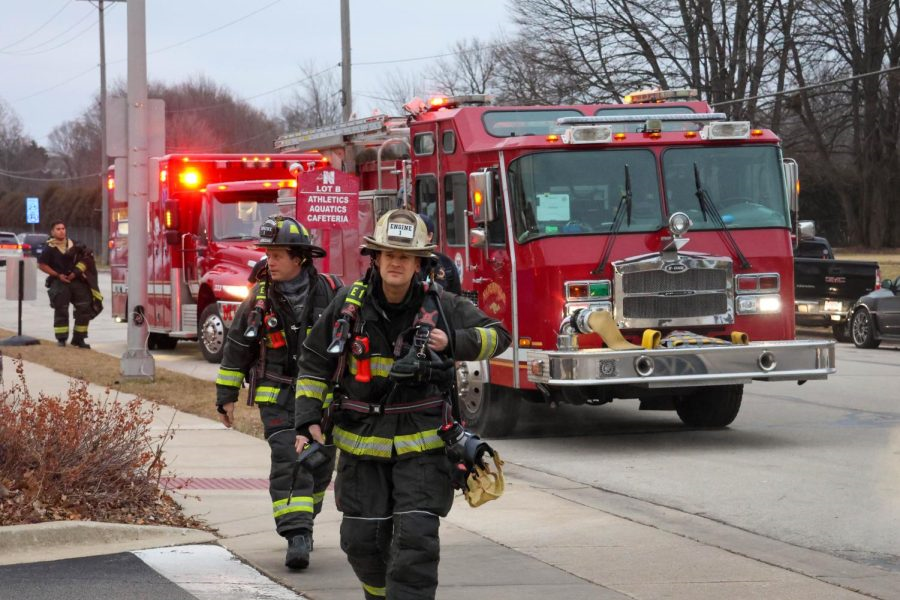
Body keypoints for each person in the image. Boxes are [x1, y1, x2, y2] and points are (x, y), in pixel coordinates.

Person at [294, 209, 510, 599]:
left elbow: (499, 336)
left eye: (405, 256)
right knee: (361, 542)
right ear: (374, 258)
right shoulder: (348, 306)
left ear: (419, 263)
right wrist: (307, 419)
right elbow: (313, 362)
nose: (396, 261)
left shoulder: (442, 306)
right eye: (388, 253)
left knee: (416, 544)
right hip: (361, 447)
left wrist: (453, 341)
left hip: (425, 449)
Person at [214, 216, 342, 571]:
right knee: (290, 458)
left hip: (321, 401)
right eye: (267, 254)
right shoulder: (258, 298)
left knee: (319, 466)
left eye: (278, 254)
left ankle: (306, 517)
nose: (269, 261)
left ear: (299, 258)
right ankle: (296, 534)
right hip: (278, 397)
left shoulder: (332, 292)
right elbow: (237, 346)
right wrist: (226, 394)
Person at [36, 220, 95, 348]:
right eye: (58, 229)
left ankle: (79, 339)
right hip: (59, 283)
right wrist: (57, 275)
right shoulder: (49, 247)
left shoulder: (75, 245)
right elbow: (42, 265)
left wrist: (76, 273)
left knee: (84, 309)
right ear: (52, 232)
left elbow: (87, 259)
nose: (61, 231)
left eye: (63, 228)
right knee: (61, 310)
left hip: (77, 281)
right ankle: (61, 339)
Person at [416, 213, 461, 294]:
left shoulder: (446, 263)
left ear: (429, 236)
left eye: (418, 233)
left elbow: (456, 299)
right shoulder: (403, 262)